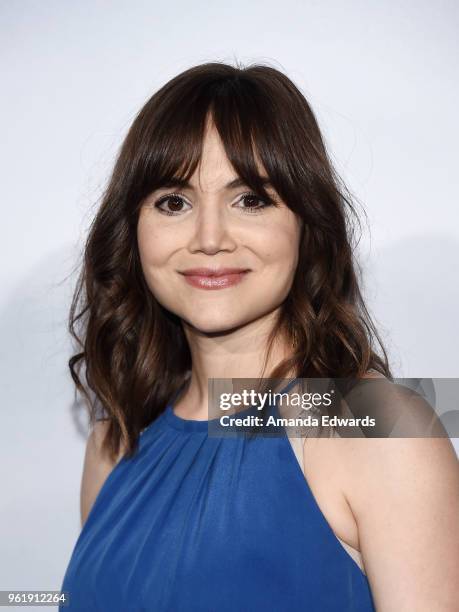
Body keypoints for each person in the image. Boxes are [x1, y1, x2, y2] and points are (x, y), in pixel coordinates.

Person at [59, 61, 459, 611]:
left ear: (306, 224)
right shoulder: (114, 443)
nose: (209, 238)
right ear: (133, 231)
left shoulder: (375, 427)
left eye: (251, 198)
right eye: (174, 201)